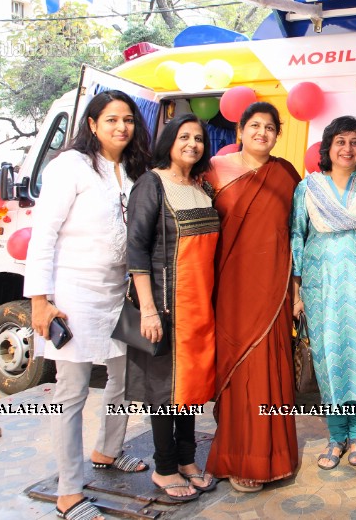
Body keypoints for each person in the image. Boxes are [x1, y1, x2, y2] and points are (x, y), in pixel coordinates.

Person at [25, 90, 152, 520]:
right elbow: (43, 235)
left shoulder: (133, 171)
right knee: (72, 393)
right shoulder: (70, 167)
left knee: (121, 381)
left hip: (117, 292)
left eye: (128, 120)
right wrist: (40, 303)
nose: (121, 127)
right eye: (112, 119)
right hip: (74, 294)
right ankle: (68, 491)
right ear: (93, 124)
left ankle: (108, 449)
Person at [204, 101, 302, 493]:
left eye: (270, 128)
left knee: (269, 371)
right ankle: (233, 455)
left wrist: (298, 289)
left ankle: (270, 457)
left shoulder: (286, 175)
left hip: (273, 290)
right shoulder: (213, 172)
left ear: (278, 135)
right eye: (255, 125)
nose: (262, 133)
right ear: (240, 130)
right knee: (234, 370)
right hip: (229, 288)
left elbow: (299, 235)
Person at [125, 114, 220, 502]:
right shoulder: (152, 183)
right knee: (164, 391)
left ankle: (186, 460)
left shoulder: (202, 188)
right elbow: (137, 249)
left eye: (198, 138)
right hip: (164, 306)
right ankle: (165, 468)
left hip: (200, 307)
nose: (193, 144)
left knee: (190, 387)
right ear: (169, 141)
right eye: (184, 137)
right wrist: (147, 309)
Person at [290, 116, 356, 470]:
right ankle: (335, 436)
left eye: (355, 142)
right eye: (341, 141)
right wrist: (297, 294)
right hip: (322, 285)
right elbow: (296, 240)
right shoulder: (309, 187)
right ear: (328, 147)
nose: (348, 149)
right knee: (328, 358)